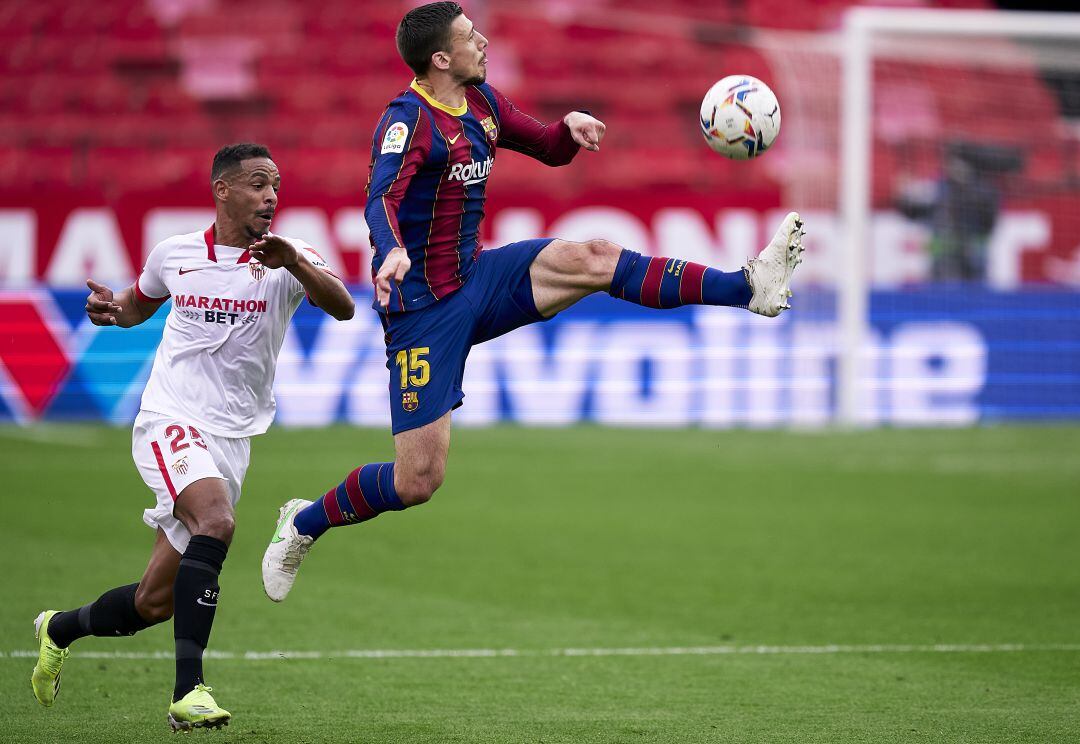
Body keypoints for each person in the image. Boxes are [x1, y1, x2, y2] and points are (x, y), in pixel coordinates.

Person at [261, 2, 804, 601]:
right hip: (423, 312)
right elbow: (380, 198)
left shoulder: (483, 104)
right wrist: (389, 249)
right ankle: (303, 523)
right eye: (471, 37)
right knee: (418, 480)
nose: (484, 42)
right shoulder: (407, 121)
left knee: (593, 256)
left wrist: (567, 131)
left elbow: (545, 147)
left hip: (479, 277)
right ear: (441, 58)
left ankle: (747, 286)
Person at [30, 143, 354, 731]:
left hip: (233, 439)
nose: (271, 196)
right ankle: (189, 692)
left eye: (276, 186)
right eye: (258, 184)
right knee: (218, 524)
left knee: (152, 602)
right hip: (170, 419)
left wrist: (296, 265)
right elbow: (138, 304)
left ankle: (59, 628)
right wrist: (113, 311)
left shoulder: (290, 257)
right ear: (223, 190)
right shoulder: (174, 254)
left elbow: (344, 307)